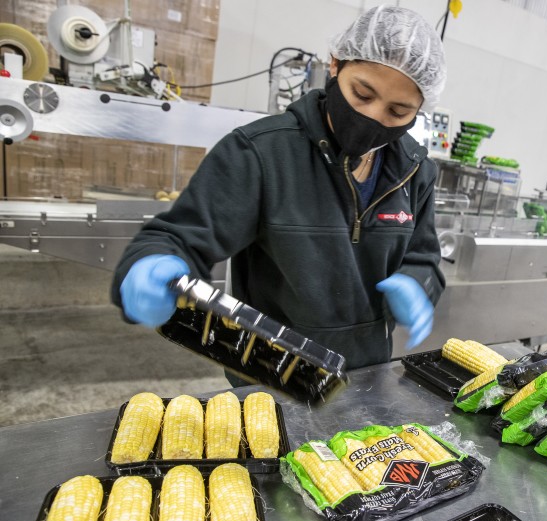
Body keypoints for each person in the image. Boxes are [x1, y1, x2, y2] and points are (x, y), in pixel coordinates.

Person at [111, 6, 447, 383]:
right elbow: (179, 237)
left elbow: (424, 257)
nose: (373, 117)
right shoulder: (260, 154)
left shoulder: (415, 171)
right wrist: (152, 265)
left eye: (398, 111)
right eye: (362, 94)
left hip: (365, 377)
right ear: (335, 65)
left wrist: (418, 285)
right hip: (271, 376)